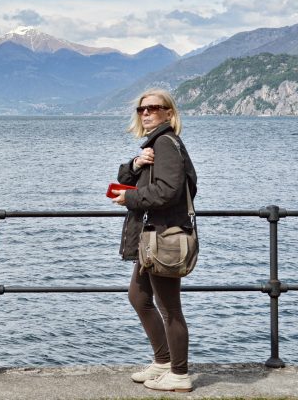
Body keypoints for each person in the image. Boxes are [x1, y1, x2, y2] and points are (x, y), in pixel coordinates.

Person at [112, 89, 198, 393]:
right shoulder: (155, 145)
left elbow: (168, 192)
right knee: (138, 297)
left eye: (154, 108)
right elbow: (125, 176)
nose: (146, 113)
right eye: (141, 109)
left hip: (165, 235)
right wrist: (137, 164)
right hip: (152, 237)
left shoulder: (166, 143)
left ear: (169, 113)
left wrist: (130, 198)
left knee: (169, 307)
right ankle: (163, 361)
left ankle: (179, 373)